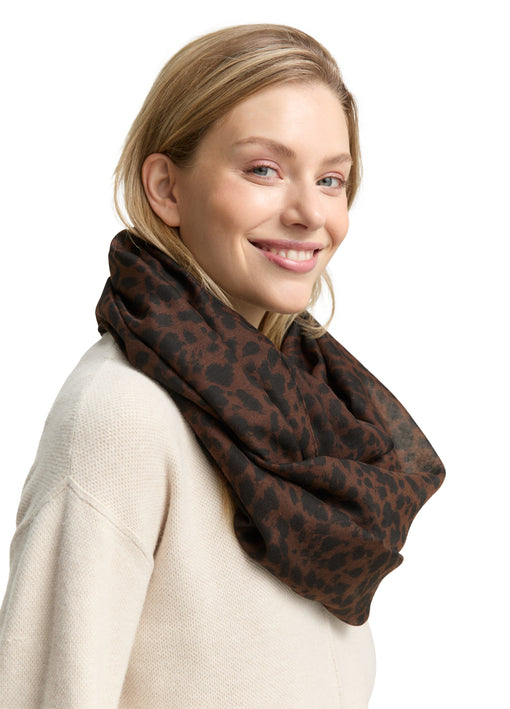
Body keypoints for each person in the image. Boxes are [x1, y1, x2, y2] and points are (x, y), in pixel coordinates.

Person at [0, 24, 445, 708]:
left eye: (330, 179)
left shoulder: (322, 421)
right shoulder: (121, 416)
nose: (309, 213)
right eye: (264, 169)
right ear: (166, 188)